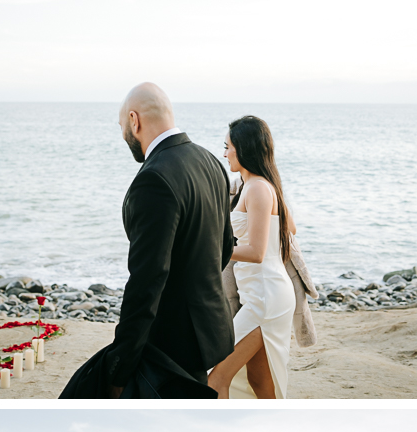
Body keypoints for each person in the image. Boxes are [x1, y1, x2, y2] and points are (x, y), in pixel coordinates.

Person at [106, 82, 235, 396]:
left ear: (134, 121)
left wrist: (118, 366)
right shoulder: (210, 162)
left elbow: (146, 282)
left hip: (170, 343)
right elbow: (224, 247)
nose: (123, 133)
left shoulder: (154, 178)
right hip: (209, 331)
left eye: (122, 125)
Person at [208, 116, 297, 400]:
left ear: (243, 148)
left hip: (265, 298)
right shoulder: (258, 186)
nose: (224, 154)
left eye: (227, 147)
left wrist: (208, 248)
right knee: (260, 384)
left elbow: (257, 253)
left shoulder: (258, 188)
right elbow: (289, 228)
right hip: (263, 294)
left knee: (216, 378)